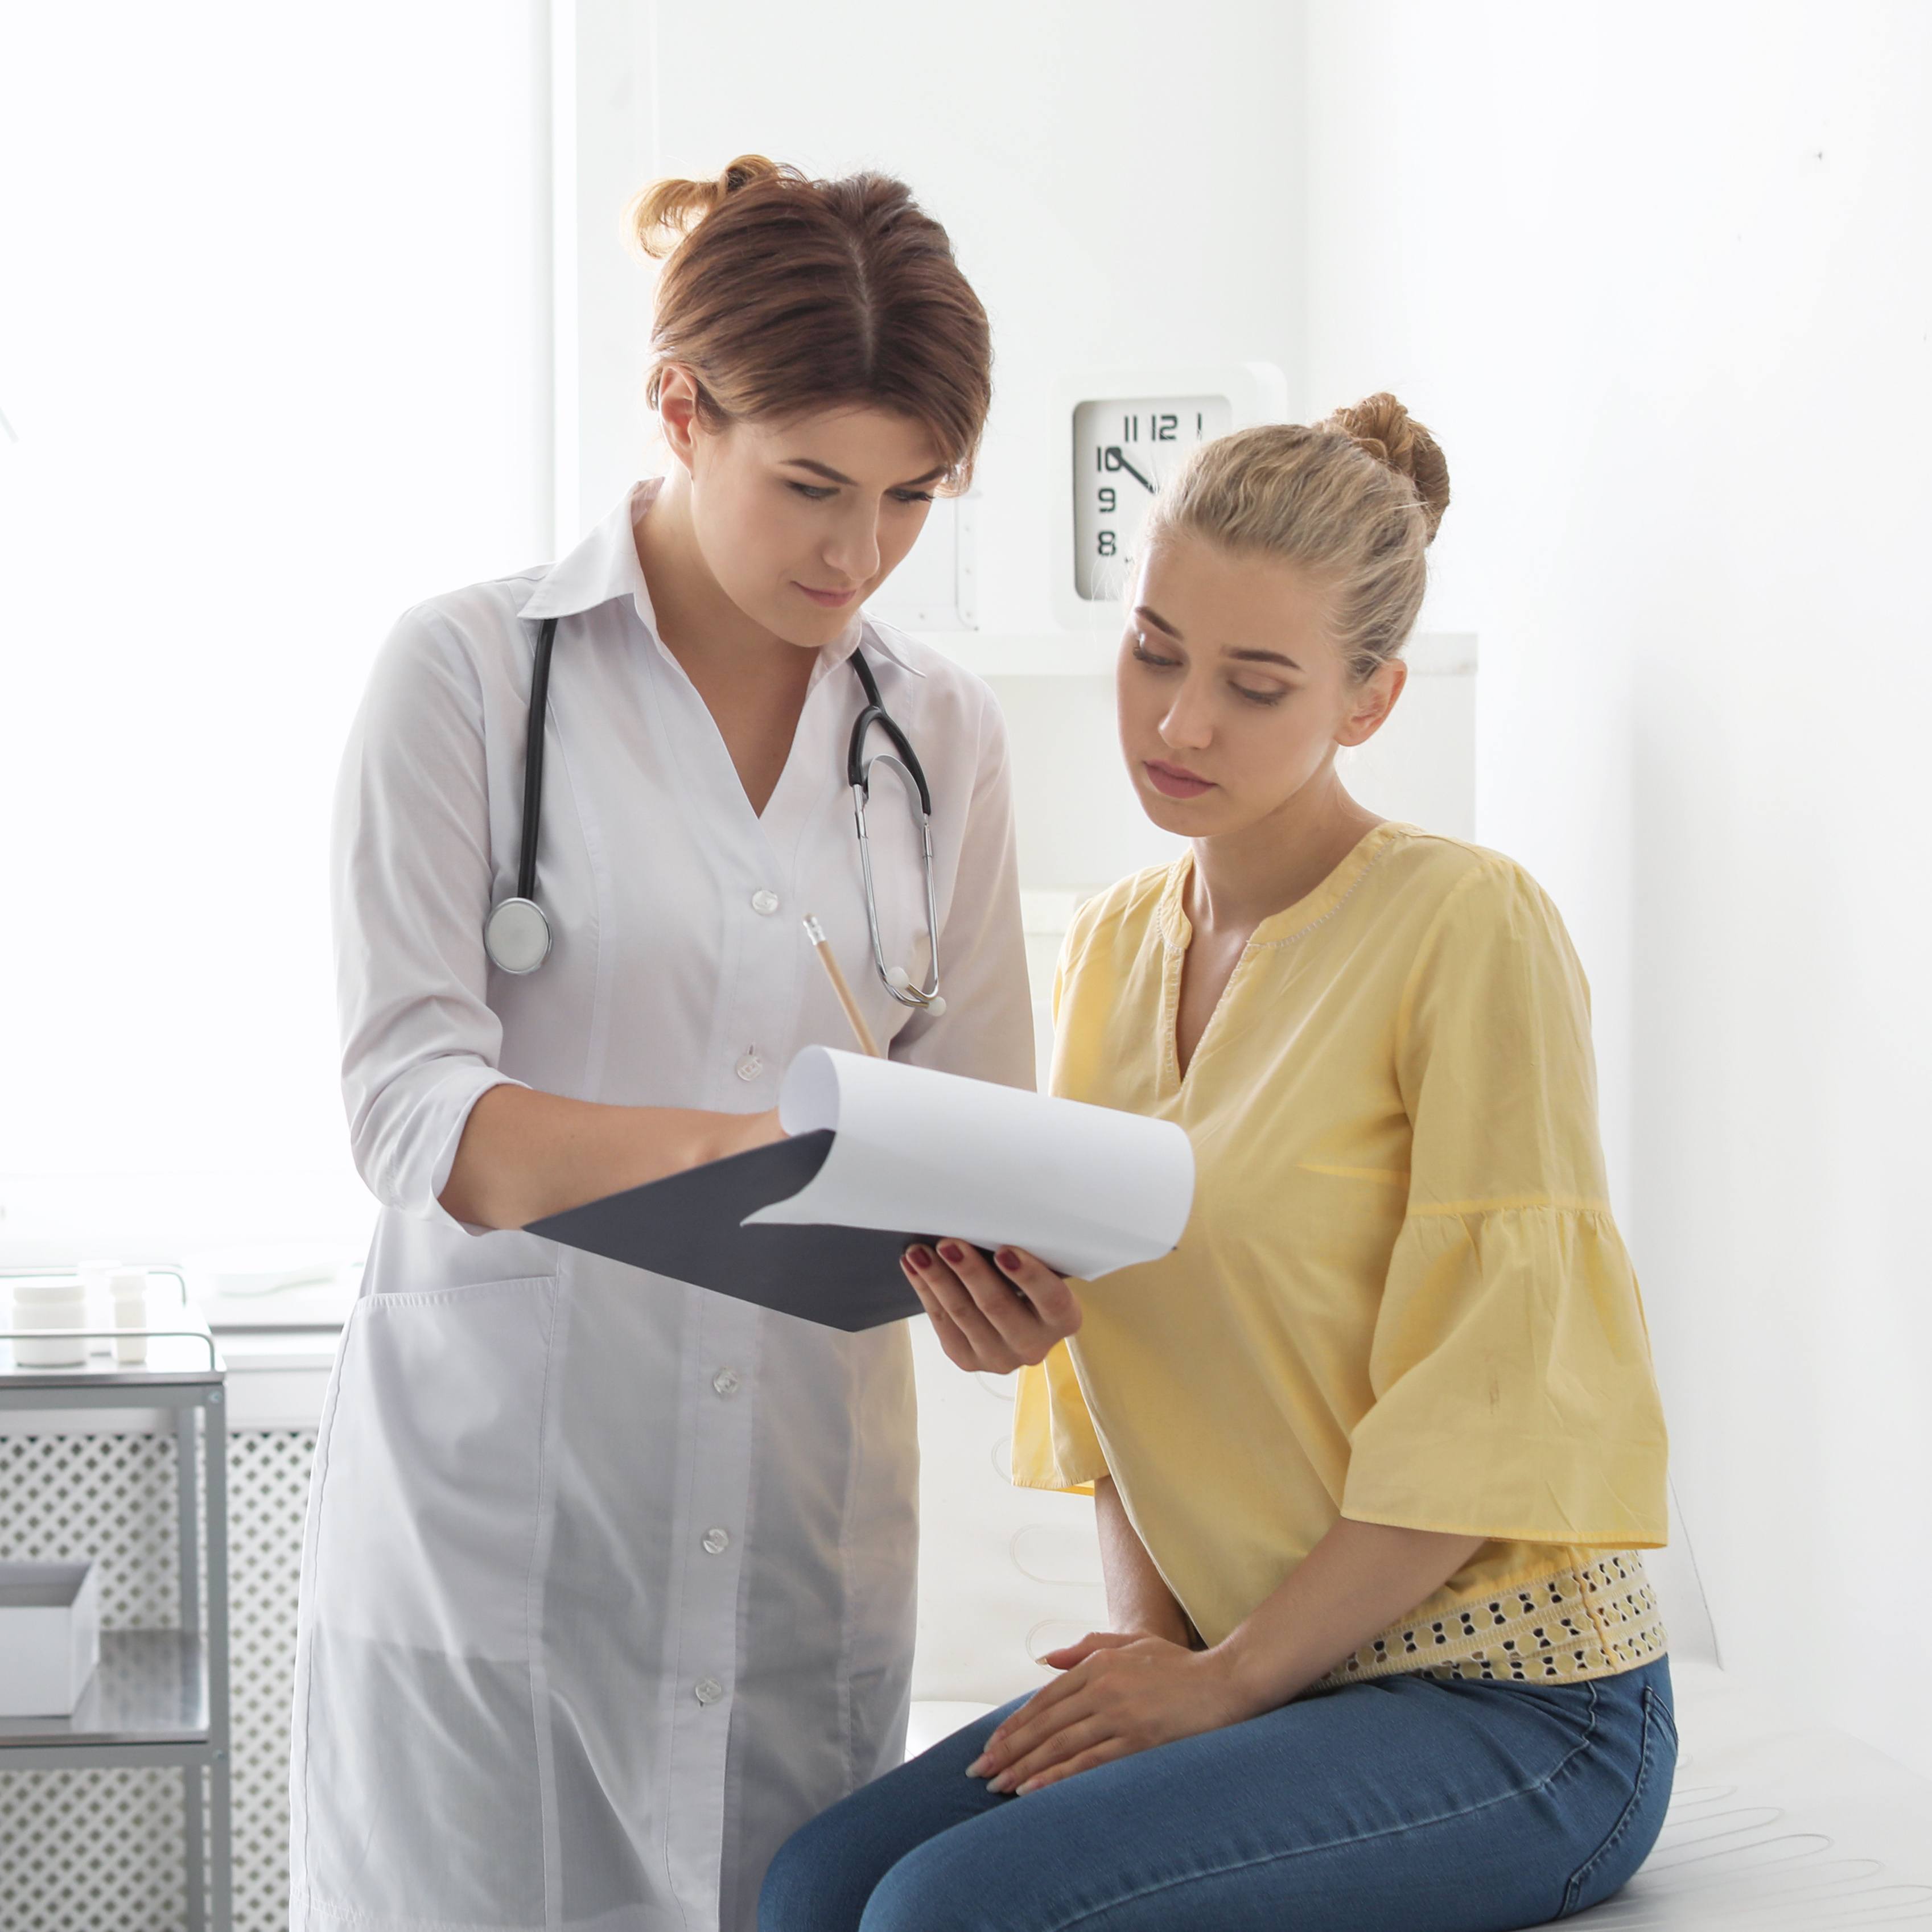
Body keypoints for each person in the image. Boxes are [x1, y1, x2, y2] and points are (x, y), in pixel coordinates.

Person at [761, 398, 1675, 1932]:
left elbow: (1494, 1397)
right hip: (1259, 1671)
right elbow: (1117, 1342)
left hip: (1518, 1707)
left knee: (945, 1913)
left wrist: (1225, 1683)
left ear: (1368, 700)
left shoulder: (1468, 928)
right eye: (1154, 649)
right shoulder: (1113, 945)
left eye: (1256, 685)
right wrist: (1150, 1645)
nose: (1178, 722)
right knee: (814, 1885)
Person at [289, 156, 1034, 1932]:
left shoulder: (940, 735)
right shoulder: (469, 673)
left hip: (798, 1537)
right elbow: (411, 1106)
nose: (857, 552)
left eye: (912, 496)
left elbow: (980, 1122)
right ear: (679, 410)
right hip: (505, 1536)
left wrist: (1002, 1281)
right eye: (809, 485)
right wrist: (735, 1160)